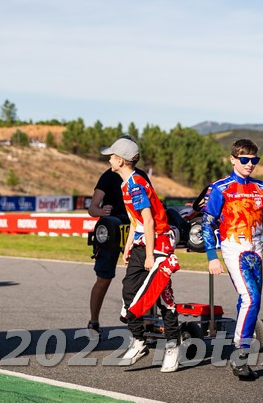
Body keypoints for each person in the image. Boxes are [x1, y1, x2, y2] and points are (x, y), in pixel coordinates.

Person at [202, 138, 263, 381]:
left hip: (256, 250)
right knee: (251, 297)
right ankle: (240, 353)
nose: (250, 164)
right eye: (245, 159)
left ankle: (242, 357)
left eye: (254, 160)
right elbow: (207, 223)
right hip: (233, 248)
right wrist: (211, 256)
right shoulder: (219, 188)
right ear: (233, 159)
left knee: (248, 302)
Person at [100, 137, 180, 373]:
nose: (109, 159)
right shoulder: (126, 185)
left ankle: (173, 346)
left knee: (163, 297)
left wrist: (149, 255)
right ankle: (139, 340)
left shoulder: (136, 184)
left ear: (121, 161)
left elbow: (148, 219)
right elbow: (135, 220)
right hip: (141, 243)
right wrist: (127, 246)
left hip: (158, 245)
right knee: (128, 291)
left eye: (112, 156)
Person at [86, 135, 151, 342]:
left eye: (113, 155)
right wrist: (101, 211)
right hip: (111, 229)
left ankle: (144, 324)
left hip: (135, 229)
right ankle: (93, 321)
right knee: (104, 278)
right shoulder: (108, 176)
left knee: (141, 278)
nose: (110, 159)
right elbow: (92, 209)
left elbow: (148, 211)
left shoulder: (139, 178)